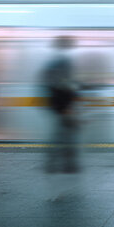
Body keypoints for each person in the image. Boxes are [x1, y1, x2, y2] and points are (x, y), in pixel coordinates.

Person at [40, 36, 80, 173]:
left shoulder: (55, 62)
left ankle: (59, 164)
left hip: (59, 104)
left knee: (62, 134)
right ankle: (66, 164)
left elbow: (57, 85)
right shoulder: (62, 62)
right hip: (62, 105)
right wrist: (67, 106)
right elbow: (64, 86)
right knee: (64, 135)